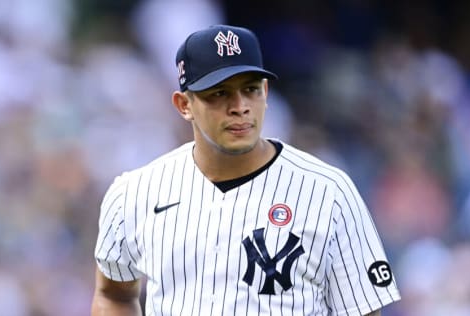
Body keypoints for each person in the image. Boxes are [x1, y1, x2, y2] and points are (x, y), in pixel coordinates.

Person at [91, 24, 401, 316]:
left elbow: (364, 309)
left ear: (266, 92)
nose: (240, 106)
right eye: (219, 93)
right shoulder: (135, 193)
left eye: (250, 89)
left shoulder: (327, 191)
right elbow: (113, 295)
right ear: (184, 105)